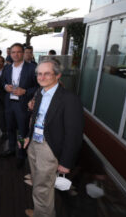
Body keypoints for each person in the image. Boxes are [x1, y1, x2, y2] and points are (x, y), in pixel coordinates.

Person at [23, 58, 83, 217]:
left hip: (49, 148)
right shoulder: (40, 93)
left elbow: (74, 134)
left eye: (47, 74)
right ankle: (40, 212)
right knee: (38, 183)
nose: (41, 77)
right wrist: (29, 137)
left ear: (58, 75)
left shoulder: (69, 99)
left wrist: (66, 162)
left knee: (42, 187)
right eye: (39, 74)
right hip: (34, 143)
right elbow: (36, 118)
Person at [0, 43, 38, 169]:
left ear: (23, 53)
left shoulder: (32, 68)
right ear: (10, 54)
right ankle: (11, 149)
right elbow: (3, 82)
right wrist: (6, 87)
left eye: (18, 52)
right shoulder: (7, 68)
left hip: (22, 105)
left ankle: (21, 155)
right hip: (9, 104)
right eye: (13, 52)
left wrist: (25, 91)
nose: (16, 54)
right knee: (10, 128)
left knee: (22, 131)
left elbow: (38, 87)